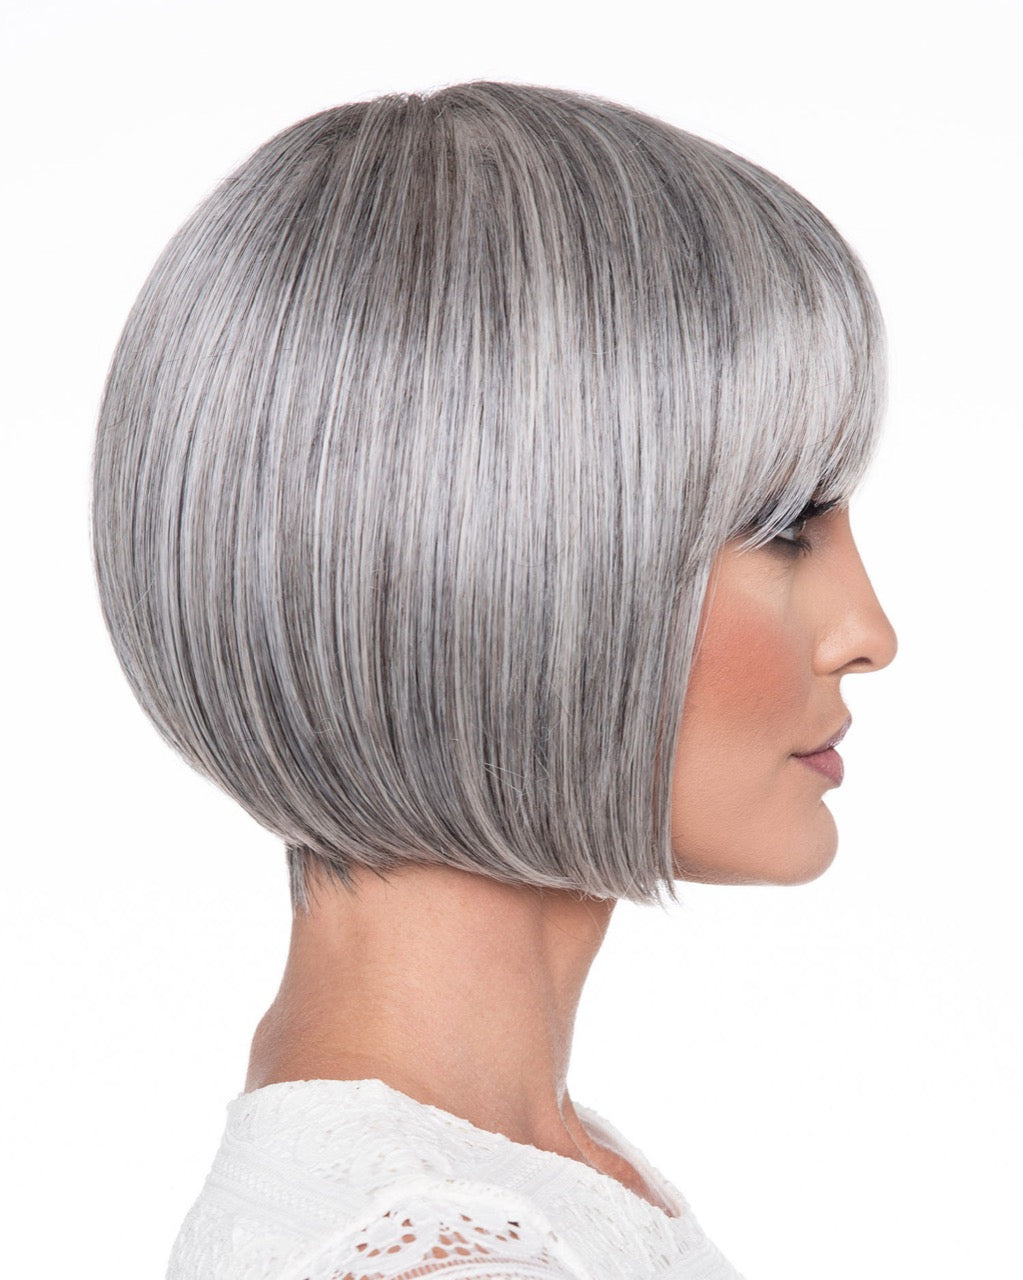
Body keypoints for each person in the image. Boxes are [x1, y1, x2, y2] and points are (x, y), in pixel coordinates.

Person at [90, 80, 897, 1280]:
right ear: (502, 561)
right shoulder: (437, 1249)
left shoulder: (494, 1178)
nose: (869, 631)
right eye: (786, 527)